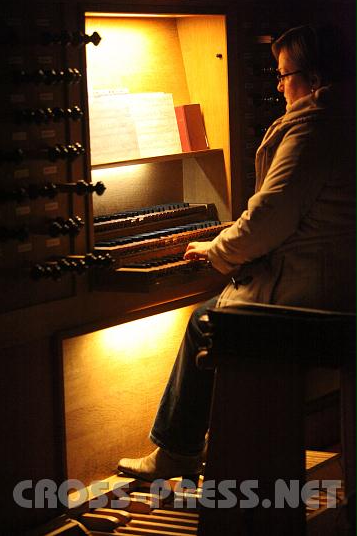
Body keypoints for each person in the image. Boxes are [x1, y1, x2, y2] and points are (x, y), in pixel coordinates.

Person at [118, 24, 357, 482]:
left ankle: (178, 451)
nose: (279, 85)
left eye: (284, 75)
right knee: (213, 313)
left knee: (206, 322)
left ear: (314, 78)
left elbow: (266, 220)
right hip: (339, 285)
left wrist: (215, 250)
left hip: (315, 298)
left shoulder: (313, 131)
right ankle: (204, 447)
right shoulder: (342, 119)